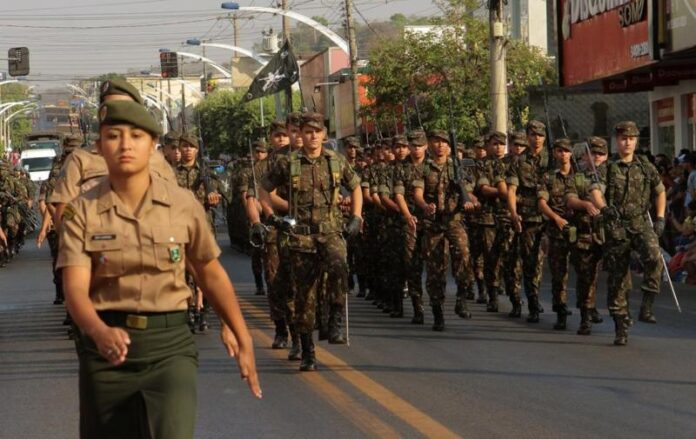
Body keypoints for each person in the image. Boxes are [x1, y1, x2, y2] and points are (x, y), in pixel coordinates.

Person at [57, 99, 261, 439]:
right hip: (106, 351)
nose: (125, 145)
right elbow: (75, 289)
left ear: (152, 146)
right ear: (99, 147)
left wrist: (242, 335)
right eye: (113, 136)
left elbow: (209, 273)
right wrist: (98, 331)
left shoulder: (182, 204)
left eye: (136, 136)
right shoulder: (82, 212)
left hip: (169, 349)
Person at [250, 112, 362, 371]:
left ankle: (335, 317)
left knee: (339, 265)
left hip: (331, 231)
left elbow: (355, 186)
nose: (312, 136)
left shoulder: (336, 161)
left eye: (316, 131)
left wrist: (356, 217)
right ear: (301, 135)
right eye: (307, 132)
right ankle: (307, 350)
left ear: (324, 134)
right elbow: (264, 189)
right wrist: (270, 215)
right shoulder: (289, 164)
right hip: (300, 236)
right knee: (304, 295)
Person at [589, 121, 666, 346]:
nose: (627, 142)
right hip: (617, 226)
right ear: (617, 140)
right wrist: (604, 208)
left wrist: (660, 218)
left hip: (641, 222)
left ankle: (647, 304)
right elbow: (594, 190)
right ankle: (621, 325)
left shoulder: (645, 166)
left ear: (636, 140)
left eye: (631, 138)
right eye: (623, 138)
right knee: (618, 278)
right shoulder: (608, 168)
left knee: (654, 256)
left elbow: (660, 192)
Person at [413, 129, 477, 331]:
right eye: (435, 141)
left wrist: (470, 202)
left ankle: (462, 296)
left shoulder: (458, 168)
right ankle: (437, 312)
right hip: (433, 224)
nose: (440, 145)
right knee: (435, 269)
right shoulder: (424, 168)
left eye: (443, 141)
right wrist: (425, 206)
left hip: (454, 221)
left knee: (464, 254)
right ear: (429, 144)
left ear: (449, 146)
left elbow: (470, 191)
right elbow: (417, 193)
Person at [506, 120, 550, 323]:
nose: (537, 138)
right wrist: (514, 213)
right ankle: (532, 304)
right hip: (529, 217)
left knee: (551, 264)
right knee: (531, 263)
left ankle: (554, 302)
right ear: (528, 136)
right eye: (533, 134)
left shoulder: (553, 158)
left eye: (541, 135)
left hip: (551, 216)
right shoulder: (518, 161)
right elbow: (512, 190)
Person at [565, 136, 608, 335]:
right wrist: (586, 204)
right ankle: (585, 316)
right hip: (585, 234)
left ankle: (597, 308)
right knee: (585, 275)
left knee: (600, 276)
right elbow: (570, 200)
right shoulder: (578, 177)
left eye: (601, 153)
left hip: (606, 234)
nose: (597, 157)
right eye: (594, 153)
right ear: (586, 155)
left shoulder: (612, 176)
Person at [538, 138, 575, 330]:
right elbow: (542, 203)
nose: (563, 154)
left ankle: (587, 311)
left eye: (566, 151)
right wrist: (555, 218)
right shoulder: (549, 178)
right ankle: (560, 311)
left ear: (571, 153)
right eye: (559, 151)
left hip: (578, 230)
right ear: (554, 154)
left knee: (586, 273)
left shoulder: (581, 176)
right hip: (557, 230)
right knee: (559, 274)